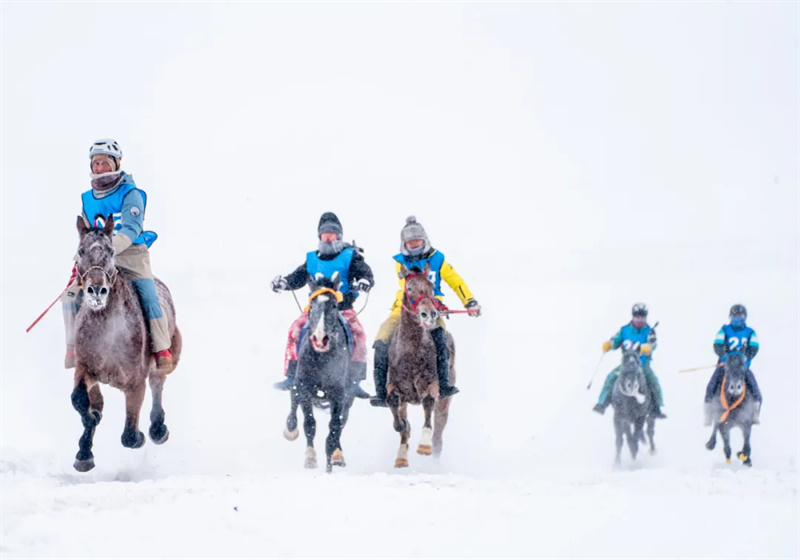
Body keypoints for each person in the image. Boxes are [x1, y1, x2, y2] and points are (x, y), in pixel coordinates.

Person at [62, 138, 172, 372]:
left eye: (105, 162)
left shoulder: (131, 193)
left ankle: (161, 348)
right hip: (97, 260)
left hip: (131, 254)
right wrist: (79, 261)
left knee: (149, 295)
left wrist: (107, 248)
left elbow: (131, 228)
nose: (100, 167)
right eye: (96, 163)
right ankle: (72, 348)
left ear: (116, 163)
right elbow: (86, 235)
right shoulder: (87, 199)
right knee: (70, 296)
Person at [370, 216, 481, 407]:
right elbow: (408, 289)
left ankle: (444, 384)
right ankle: (381, 392)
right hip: (404, 310)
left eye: (418, 242)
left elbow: (455, 281)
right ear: (404, 244)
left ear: (425, 240)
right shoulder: (400, 262)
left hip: (432, 309)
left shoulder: (437, 259)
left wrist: (469, 301)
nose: (415, 246)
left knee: (441, 340)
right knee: (381, 341)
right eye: (411, 243)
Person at [271, 212, 373, 398]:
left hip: (342, 308)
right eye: (325, 234)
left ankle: (354, 380)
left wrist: (365, 280)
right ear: (319, 236)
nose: (328, 237)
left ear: (339, 236)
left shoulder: (350, 256)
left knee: (358, 334)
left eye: (332, 234)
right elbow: (299, 276)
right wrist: (285, 282)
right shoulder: (312, 258)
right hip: (315, 310)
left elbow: (364, 272)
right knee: (295, 329)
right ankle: (292, 375)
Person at [592, 303, 666, 418]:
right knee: (611, 377)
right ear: (633, 317)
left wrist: (647, 347)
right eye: (637, 318)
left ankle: (657, 407)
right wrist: (610, 344)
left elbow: (653, 343)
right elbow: (616, 340)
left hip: (642, 365)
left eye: (642, 318)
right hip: (626, 365)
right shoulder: (624, 330)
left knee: (652, 380)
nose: (640, 321)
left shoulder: (649, 331)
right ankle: (602, 403)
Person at [704, 304, 762, 425]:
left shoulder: (750, 332)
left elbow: (754, 347)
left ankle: (755, 412)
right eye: (735, 315)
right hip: (725, 366)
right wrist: (724, 356)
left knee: (753, 386)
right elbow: (717, 344)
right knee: (712, 384)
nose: (737, 318)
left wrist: (746, 357)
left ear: (744, 317)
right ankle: (708, 413)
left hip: (742, 367)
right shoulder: (724, 330)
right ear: (730, 316)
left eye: (740, 315)